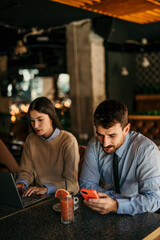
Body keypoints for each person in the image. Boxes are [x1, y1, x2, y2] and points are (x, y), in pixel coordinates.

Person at [80, 99, 160, 216]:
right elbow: (86, 185)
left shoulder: (146, 150)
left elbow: (154, 200)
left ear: (126, 129)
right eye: (100, 135)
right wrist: (112, 202)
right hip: (105, 214)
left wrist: (117, 205)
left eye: (112, 135)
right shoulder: (94, 144)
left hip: (139, 216)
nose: (105, 143)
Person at [16, 96, 79, 196]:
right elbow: (26, 171)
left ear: (52, 117)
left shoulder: (68, 140)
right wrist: (22, 183)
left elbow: (71, 184)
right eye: (32, 121)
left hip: (63, 197)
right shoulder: (31, 139)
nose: (35, 125)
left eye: (40, 120)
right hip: (38, 195)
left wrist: (45, 189)